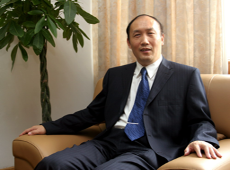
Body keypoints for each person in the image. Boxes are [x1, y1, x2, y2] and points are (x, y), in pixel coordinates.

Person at [20, 14, 222, 170]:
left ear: (161, 38)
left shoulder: (185, 75)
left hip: (149, 148)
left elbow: (201, 119)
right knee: (53, 164)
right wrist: (48, 127)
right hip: (109, 142)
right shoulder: (115, 75)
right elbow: (92, 114)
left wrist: (201, 138)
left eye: (150, 33)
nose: (144, 41)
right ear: (129, 43)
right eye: (137, 35)